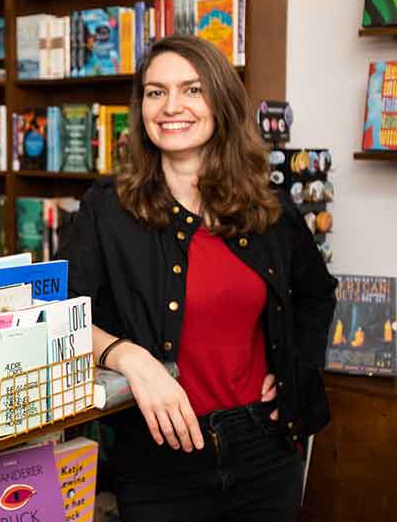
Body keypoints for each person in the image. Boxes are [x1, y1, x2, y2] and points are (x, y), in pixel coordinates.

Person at [56, 35, 337, 521]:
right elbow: (58, 313)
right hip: (158, 457)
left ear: (221, 102)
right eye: (156, 92)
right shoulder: (106, 208)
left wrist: (292, 365)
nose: (171, 106)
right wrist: (127, 356)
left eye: (192, 89)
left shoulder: (265, 207)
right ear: (141, 106)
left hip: (265, 447)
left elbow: (318, 294)